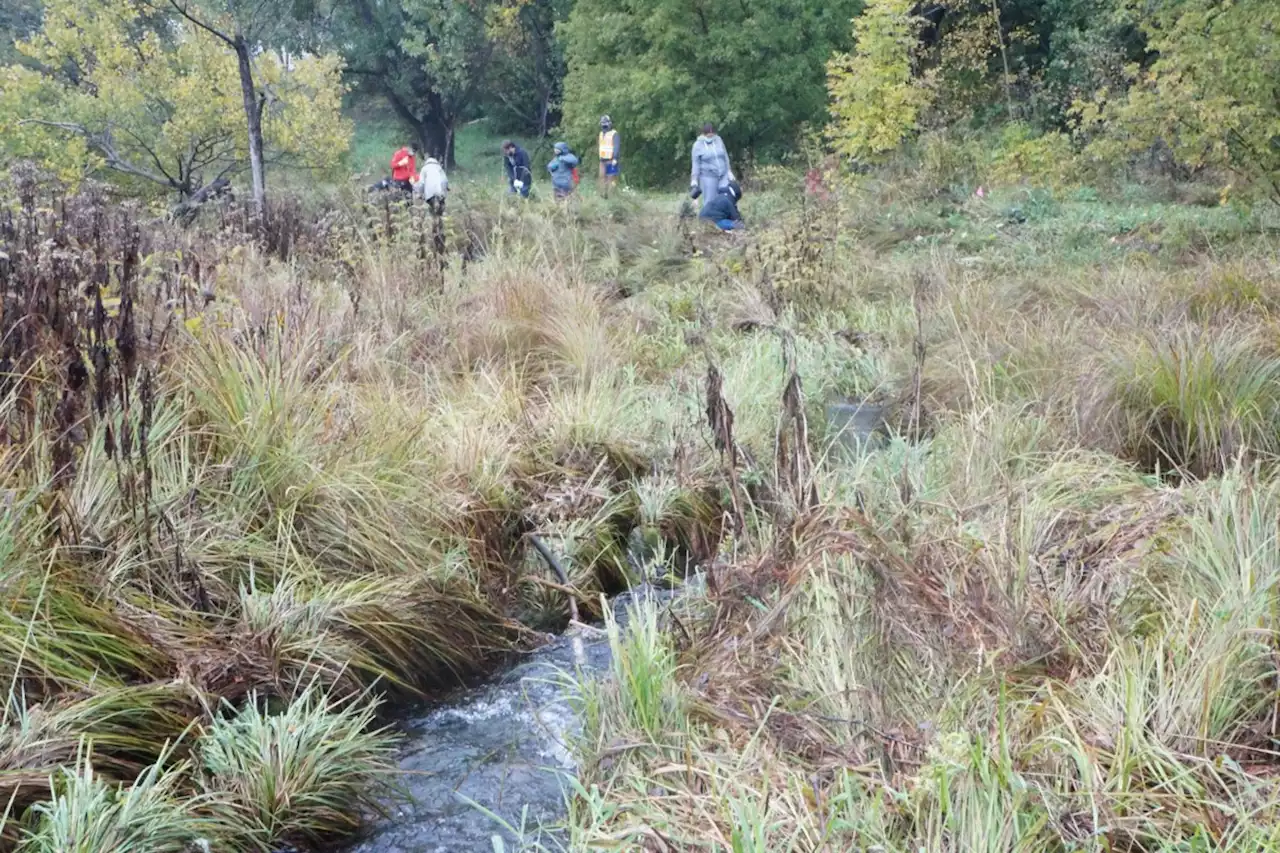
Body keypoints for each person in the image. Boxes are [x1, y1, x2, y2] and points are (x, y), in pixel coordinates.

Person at [690, 123, 733, 205]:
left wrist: (729, 171)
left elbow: (725, 156)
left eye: (712, 135)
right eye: (709, 136)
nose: (711, 137)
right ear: (703, 134)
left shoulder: (718, 140)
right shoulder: (697, 145)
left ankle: (725, 215)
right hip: (708, 177)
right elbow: (695, 164)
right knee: (710, 200)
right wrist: (694, 179)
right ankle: (709, 217)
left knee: (726, 196)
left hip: (723, 175)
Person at [598, 115, 620, 194]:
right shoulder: (601, 133)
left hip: (611, 160)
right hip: (602, 160)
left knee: (611, 178)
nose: (604, 125)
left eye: (605, 123)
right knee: (602, 177)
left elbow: (616, 146)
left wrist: (615, 158)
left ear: (609, 123)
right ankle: (603, 194)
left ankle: (611, 195)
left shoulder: (614, 134)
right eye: (602, 123)